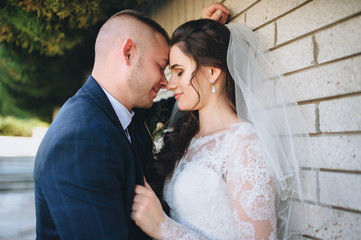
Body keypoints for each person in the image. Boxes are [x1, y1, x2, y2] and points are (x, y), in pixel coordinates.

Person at [33, 3, 229, 240]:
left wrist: (200, 46)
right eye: (161, 67)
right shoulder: (81, 140)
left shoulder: (120, 114)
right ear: (128, 53)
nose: (166, 82)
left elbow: (181, 101)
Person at [131, 19, 319, 239]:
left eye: (179, 72)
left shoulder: (244, 144)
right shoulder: (189, 137)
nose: (170, 84)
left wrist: (164, 228)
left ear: (212, 72)